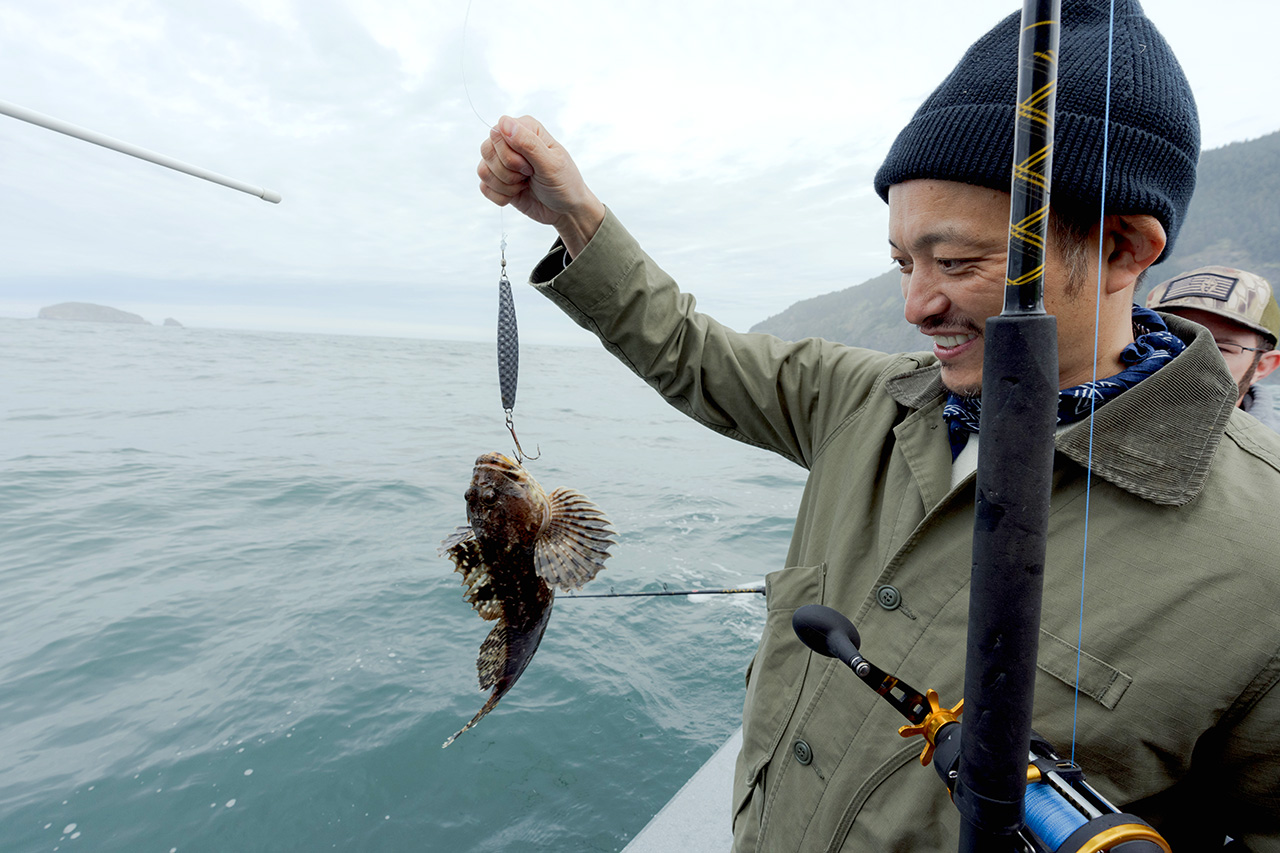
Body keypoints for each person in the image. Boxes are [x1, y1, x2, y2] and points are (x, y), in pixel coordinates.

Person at [476, 1, 1280, 850]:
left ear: (1123, 247)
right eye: (903, 261)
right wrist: (573, 214)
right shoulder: (860, 398)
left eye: (960, 261)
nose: (916, 304)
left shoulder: (1261, 553)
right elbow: (685, 348)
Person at [1146, 266, 1280, 429]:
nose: (1186, 358)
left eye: (1219, 348)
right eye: (1169, 339)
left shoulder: (1271, 451)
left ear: (1262, 366)